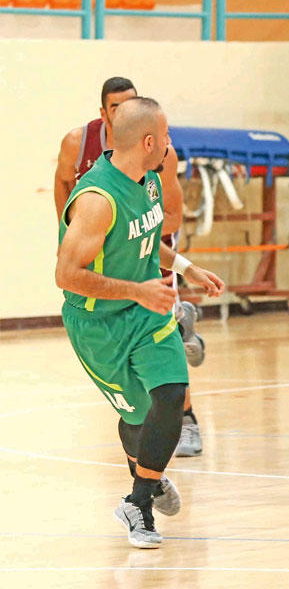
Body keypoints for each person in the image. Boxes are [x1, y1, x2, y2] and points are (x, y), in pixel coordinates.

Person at [55, 97, 225, 547]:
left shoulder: (147, 179)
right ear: (148, 141)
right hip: (99, 324)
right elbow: (66, 275)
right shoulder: (97, 200)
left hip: (146, 313)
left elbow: (146, 239)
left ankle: (139, 500)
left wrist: (187, 268)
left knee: (170, 394)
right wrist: (136, 290)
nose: (170, 144)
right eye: (166, 136)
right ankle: (149, 476)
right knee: (136, 416)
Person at [54, 77, 204, 457]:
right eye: (116, 107)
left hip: (145, 260)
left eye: (131, 104)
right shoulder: (81, 150)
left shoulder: (157, 159)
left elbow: (168, 217)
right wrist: (82, 227)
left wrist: (177, 261)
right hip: (104, 294)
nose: (124, 112)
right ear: (104, 114)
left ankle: (187, 423)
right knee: (137, 410)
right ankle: (146, 474)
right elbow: (62, 185)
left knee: (168, 378)